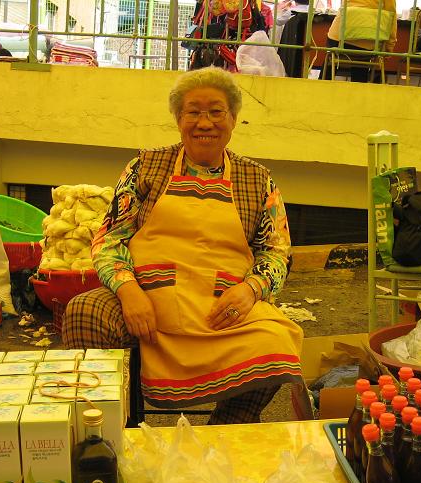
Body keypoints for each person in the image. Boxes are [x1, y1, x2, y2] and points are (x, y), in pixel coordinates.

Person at [63, 67, 304, 425]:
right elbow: (110, 238)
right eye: (193, 112)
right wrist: (128, 291)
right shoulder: (146, 166)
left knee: (278, 341)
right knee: (84, 311)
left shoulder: (258, 179)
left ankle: (223, 431)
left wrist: (251, 290)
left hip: (221, 312)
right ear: (178, 119)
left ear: (233, 119)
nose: (204, 123)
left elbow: (276, 250)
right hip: (147, 304)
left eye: (216, 112)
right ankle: (115, 432)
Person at [326, 0, 397, 82]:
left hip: (338, 39)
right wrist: (389, 47)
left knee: (331, 59)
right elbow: (391, 17)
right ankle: (359, 87)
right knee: (361, 62)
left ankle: (322, 83)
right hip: (368, 42)